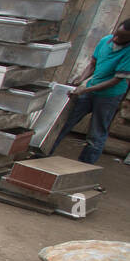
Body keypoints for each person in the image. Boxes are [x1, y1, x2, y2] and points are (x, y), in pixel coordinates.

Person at [48, 19, 130, 164]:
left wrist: (86, 89)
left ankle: (84, 165)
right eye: (116, 34)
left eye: (122, 37)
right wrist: (81, 79)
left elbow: (115, 80)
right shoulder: (105, 41)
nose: (116, 39)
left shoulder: (128, 52)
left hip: (109, 96)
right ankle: (45, 153)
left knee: (96, 132)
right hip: (91, 89)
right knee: (65, 122)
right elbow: (93, 64)